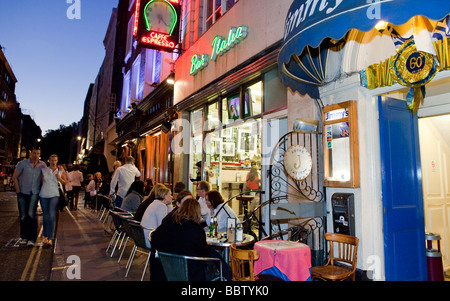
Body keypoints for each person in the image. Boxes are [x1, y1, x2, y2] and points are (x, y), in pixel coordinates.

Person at [150, 197, 212, 281]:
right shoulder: (196, 230)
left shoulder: (167, 223)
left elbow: (154, 238)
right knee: (215, 257)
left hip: (163, 270)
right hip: (189, 273)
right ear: (197, 212)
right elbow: (204, 255)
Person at [12, 146, 46, 247]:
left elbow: (45, 178)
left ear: (40, 154)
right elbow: (15, 177)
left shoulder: (42, 165)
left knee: (31, 215)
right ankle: (24, 237)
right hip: (23, 192)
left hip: (34, 193)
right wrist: (18, 191)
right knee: (23, 216)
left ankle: (32, 238)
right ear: (31, 153)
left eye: (38, 154)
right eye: (34, 153)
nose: (36, 156)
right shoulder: (22, 164)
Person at [39, 154, 67, 248]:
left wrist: (59, 177)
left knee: (51, 215)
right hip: (43, 195)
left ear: (57, 161)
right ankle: (45, 237)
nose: (53, 162)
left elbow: (65, 182)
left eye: (55, 160)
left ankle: (50, 237)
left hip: (54, 194)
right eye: (52, 160)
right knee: (45, 216)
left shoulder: (60, 170)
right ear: (48, 160)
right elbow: (40, 181)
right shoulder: (43, 170)